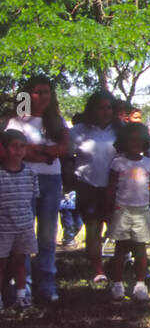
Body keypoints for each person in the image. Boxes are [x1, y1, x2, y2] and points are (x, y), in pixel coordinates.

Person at [17, 74, 70, 304]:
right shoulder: (17, 120)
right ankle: (24, 284)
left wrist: (37, 151)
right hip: (24, 180)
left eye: (46, 92)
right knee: (24, 234)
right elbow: (15, 151)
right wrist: (47, 152)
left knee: (48, 235)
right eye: (37, 92)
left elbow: (65, 149)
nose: (42, 97)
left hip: (51, 180)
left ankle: (47, 282)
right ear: (27, 95)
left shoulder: (57, 121)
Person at [105, 122, 150, 303]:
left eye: (140, 141)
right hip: (121, 210)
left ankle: (140, 284)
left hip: (142, 210)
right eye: (131, 140)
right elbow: (111, 189)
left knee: (140, 248)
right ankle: (118, 284)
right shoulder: (118, 163)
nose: (135, 144)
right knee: (120, 248)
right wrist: (109, 210)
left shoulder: (149, 163)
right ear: (124, 141)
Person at [71, 90, 120, 285]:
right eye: (101, 107)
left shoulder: (120, 129)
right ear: (92, 109)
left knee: (117, 229)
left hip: (115, 187)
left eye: (109, 107)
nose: (105, 111)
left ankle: (120, 264)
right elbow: (66, 156)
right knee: (93, 228)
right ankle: (97, 269)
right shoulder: (78, 131)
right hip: (88, 186)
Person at [0, 128, 38, 310]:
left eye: (22, 146)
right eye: (14, 146)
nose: (19, 150)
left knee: (21, 263)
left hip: (24, 227)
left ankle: (21, 296)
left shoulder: (30, 173)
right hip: (3, 228)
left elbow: (31, 198)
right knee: (1, 264)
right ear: (4, 148)